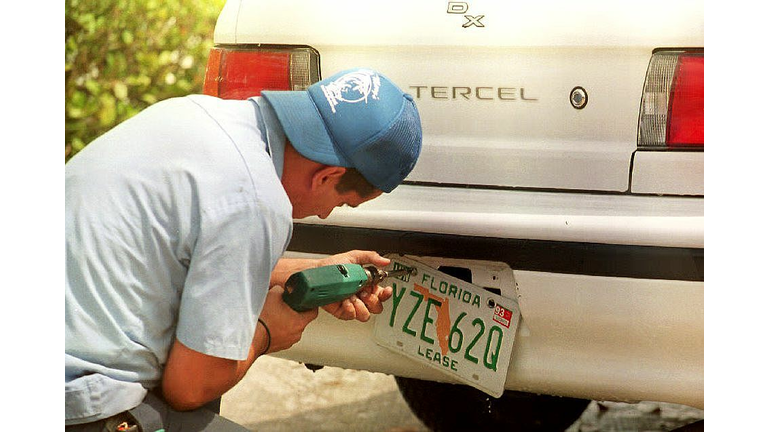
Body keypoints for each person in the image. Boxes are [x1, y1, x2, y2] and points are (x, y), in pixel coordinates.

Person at [65, 67, 423, 431]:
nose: (324, 214)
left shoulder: (197, 114)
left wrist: (306, 272)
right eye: (340, 203)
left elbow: (198, 257)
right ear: (327, 176)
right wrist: (266, 332)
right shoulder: (256, 199)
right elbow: (188, 388)